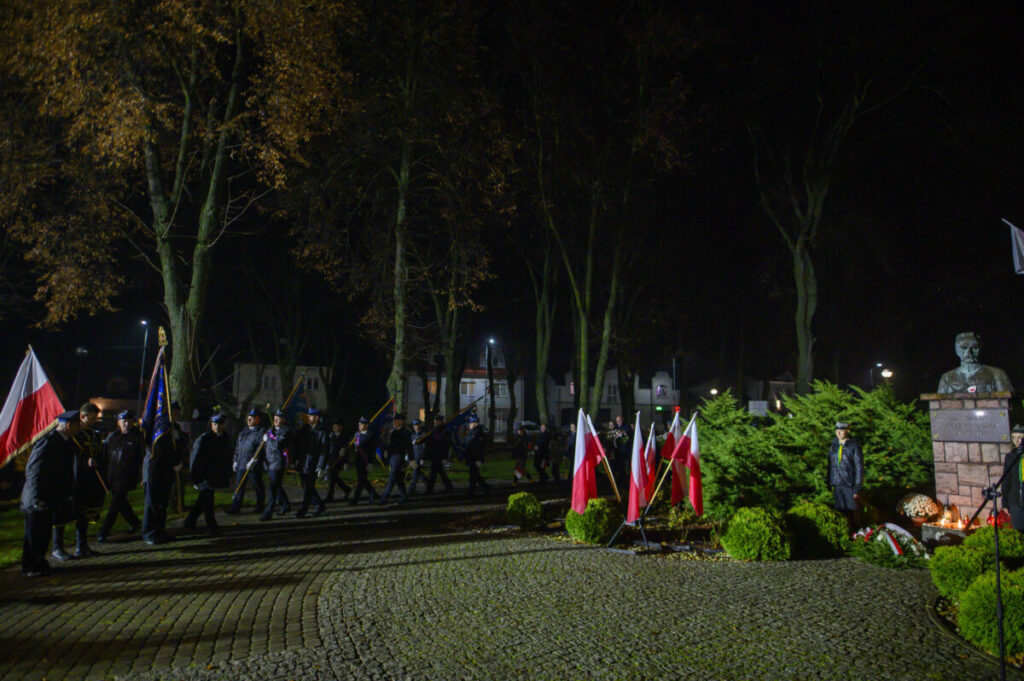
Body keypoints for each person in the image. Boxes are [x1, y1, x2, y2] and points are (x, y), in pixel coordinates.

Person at [21, 410, 78, 577]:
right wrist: (37, 497)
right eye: (77, 425)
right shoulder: (48, 442)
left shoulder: (65, 442)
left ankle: (39, 562)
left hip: (51, 496)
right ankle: (30, 566)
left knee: (43, 533)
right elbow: (34, 470)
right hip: (38, 497)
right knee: (34, 534)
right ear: (68, 425)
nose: (79, 428)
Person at [53, 403, 107, 560]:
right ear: (82, 417)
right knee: (62, 514)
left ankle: (81, 546)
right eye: (91, 418)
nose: (93, 421)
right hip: (74, 478)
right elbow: (70, 457)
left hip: (89, 480)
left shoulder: (95, 435)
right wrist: (85, 462)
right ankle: (58, 547)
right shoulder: (73, 436)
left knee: (84, 513)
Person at [97, 410, 145, 542]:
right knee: (121, 503)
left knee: (115, 504)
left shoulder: (138, 437)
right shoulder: (113, 437)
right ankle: (134, 522)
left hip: (127, 476)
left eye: (129, 421)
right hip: (113, 476)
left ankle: (104, 531)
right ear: (118, 422)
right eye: (123, 421)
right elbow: (106, 456)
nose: (126, 424)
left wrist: (141, 475)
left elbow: (142, 457)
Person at [185, 414, 232, 534]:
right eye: (215, 424)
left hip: (214, 475)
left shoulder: (224, 438)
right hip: (204, 475)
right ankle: (211, 525)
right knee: (208, 500)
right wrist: (196, 478)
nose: (217, 427)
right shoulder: (204, 439)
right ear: (211, 425)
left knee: (203, 500)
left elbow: (226, 457)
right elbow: (196, 459)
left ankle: (190, 521)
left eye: (220, 424)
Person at [142, 418, 184, 545]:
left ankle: (160, 530)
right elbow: (161, 449)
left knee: (162, 504)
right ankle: (150, 532)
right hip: (154, 471)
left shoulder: (175, 428)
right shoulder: (158, 428)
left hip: (167, 471)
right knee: (152, 503)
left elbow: (179, 446)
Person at [937, 332, 1013, 393]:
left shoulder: (997, 374)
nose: (969, 352)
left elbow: (1007, 401)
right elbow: (940, 403)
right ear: (957, 350)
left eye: (974, 348)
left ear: (980, 348)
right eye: (964, 348)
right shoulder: (947, 378)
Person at [227, 408, 267, 514]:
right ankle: (236, 507)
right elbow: (238, 447)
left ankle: (260, 506)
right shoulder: (244, 432)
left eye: (252, 418)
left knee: (257, 486)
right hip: (241, 464)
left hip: (253, 465)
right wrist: (235, 460)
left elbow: (261, 448)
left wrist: (254, 460)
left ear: (257, 419)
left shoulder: (261, 432)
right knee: (239, 486)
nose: (249, 419)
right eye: (249, 417)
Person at [827, 421, 863, 530]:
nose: (838, 433)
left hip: (849, 484)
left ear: (847, 431)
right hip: (836, 483)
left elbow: (859, 467)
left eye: (841, 431)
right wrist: (828, 481)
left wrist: (857, 487)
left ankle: (858, 534)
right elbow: (830, 464)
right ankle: (845, 534)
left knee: (852, 512)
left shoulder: (854, 446)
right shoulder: (834, 446)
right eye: (837, 431)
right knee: (840, 512)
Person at [261, 409, 294, 519]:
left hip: (278, 461)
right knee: (276, 486)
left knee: (273, 487)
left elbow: (278, 444)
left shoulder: (286, 431)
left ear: (283, 420)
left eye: (279, 417)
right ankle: (286, 504)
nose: (276, 419)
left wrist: (269, 438)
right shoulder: (272, 429)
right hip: (270, 461)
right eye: (275, 417)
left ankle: (268, 511)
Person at [295, 408, 328, 517]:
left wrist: (320, 467)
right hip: (303, 463)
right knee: (306, 486)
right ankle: (320, 505)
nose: (308, 418)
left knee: (308, 488)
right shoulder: (304, 430)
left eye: (311, 416)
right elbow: (299, 446)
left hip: (313, 463)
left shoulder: (322, 432)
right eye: (308, 416)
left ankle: (304, 510)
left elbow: (324, 451)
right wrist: (296, 460)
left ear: (317, 418)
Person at [379, 413, 412, 504]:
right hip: (391, 456)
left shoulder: (405, 432)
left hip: (398, 457)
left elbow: (409, 446)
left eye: (396, 421)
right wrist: (385, 449)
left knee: (392, 477)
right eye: (394, 421)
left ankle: (384, 498)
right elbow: (387, 444)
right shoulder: (392, 432)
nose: (394, 422)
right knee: (398, 478)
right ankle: (404, 496)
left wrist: (411, 459)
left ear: (401, 421)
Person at [349, 417, 380, 505]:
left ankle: (356, 499)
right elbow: (350, 444)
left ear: (366, 425)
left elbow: (373, 450)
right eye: (359, 424)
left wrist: (370, 462)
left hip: (366, 460)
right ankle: (373, 494)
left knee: (361, 480)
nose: (360, 426)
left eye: (362, 424)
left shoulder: (371, 436)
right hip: (358, 460)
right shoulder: (356, 435)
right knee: (363, 479)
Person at [1001, 425, 1024, 531]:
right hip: (1015, 501)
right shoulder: (1011, 457)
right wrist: (1005, 502)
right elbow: (1006, 480)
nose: (1017, 441)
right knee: (1018, 530)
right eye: (1014, 437)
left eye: (1020, 437)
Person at [424, 414, 454, 494]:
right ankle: (448, 485)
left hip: (439, 455)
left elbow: (446, 446)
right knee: (439, 471)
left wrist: (445, 457)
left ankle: (430, 488)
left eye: (437, 421)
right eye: (435, 421)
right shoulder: (434, 431)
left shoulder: (445, 432)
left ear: (441, 422)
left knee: (434, 472)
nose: (436, 423)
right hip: (434, 454)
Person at [463, 415, 491, 496]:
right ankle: (484, 487)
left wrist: (479, 459)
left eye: (471, 423)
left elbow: (480, 448)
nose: (469, 424)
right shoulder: (471, 432)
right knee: (474, 474)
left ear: (476, 423)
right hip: (471, 457)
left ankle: (472, 490)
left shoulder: (479, 434)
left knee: (473, 474)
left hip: (476, 458)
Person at [325, 418, 351, 502]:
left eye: (336, 426)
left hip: (340, 460)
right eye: (334, 426)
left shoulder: (344, 436)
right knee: (335, 478)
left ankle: (329, 497)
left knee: (333, 478)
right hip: (332, 459)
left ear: (341, 427)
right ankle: (346, 489)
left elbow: (347, 448)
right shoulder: (331, 435)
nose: (335, 428)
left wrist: (346, 461)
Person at [558, 421, 577, 485]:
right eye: (571, 427)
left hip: (574, 453)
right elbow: (568, 445)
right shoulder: (570, 435)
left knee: (572, 466)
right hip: (570, 452)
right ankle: (570, 478)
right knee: (571, 466)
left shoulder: (576, 435)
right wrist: (566, 454)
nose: (572, 428)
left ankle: (570, 478)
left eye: (573, 427)